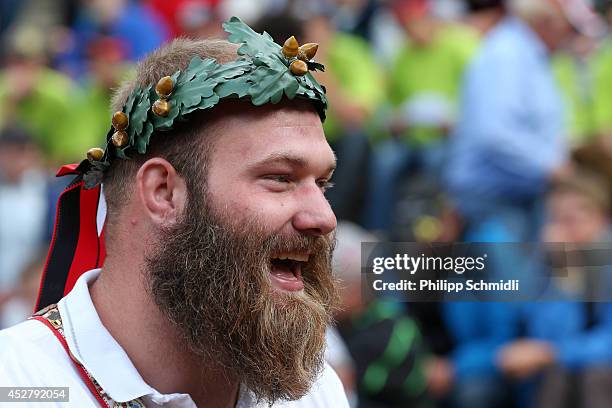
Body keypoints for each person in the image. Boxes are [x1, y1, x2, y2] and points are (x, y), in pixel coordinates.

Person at [0, 18, 349, 408]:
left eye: (322, 184)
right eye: (280, 178)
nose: (324, 217)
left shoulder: (314, 394)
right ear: (163, 192)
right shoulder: (17, 387)